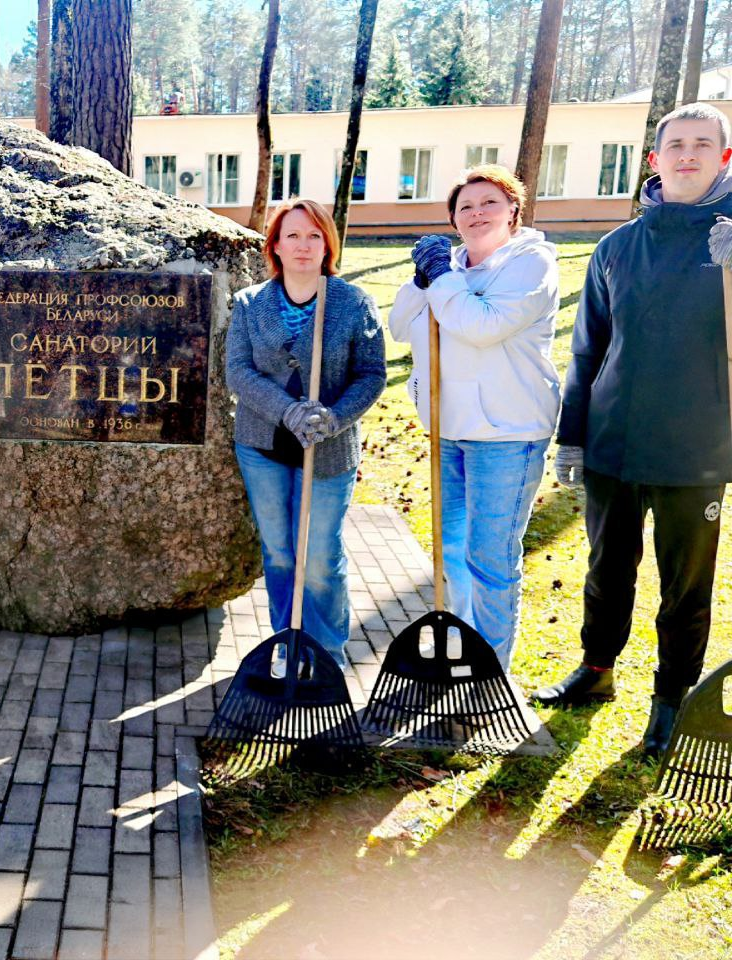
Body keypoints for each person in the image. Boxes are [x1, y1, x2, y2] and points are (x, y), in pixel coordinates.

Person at [536, 102, 732, 758]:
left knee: (686, 587)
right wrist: (572, 434)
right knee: (605, 570)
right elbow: (588, 351)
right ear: (654, 159)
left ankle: (672, 700)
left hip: (698, 451)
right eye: (675, 144)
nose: (687, 155)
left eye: (702, 144)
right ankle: (595, 672)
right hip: (613, 445)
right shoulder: (616, 248)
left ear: (723, 158)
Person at [387, 165, 560, 671]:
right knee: (451, 554)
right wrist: (423, 280)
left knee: (490, 561)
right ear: (453, 219)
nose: (477, 212)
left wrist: (440, 279)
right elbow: (401, 327)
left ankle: (488, 676)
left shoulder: (531, 265)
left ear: (514, 211)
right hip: (448, 431)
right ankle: (456, 651)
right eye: (465, 206)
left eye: (490, 202)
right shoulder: (448, 266)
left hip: (506, 435)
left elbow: (481, 326)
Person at [225, 198, 386, 667]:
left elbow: (371, 374)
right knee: (278, 552)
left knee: (318, 557)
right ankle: (288, 642)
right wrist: (288, 411)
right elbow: (238, 371)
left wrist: (334, 417)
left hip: (329, 451)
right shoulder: (251, 305)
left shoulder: (353, 304)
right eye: (292, 235)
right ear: (274, 244)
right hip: (264, 447)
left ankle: (326, 651)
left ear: (327, 244)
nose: (302, 245)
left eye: (314, 235)